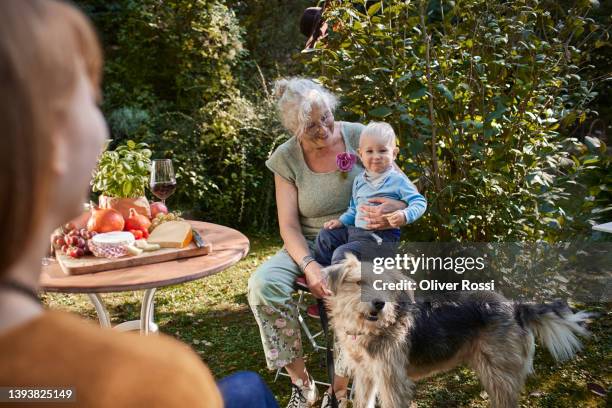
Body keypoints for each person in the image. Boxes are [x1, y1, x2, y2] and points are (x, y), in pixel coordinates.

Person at [0, 2, 277, 407]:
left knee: (248, 387)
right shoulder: (148, 381)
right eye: (92, 100)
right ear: (52, 143)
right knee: (250, 391)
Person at [248, 78, 409, 408]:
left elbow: (399, 186)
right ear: (295, 128)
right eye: (311, 126)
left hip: (362, 237)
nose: (323, 130)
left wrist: (394, 208)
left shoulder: (357, 136)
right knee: (263, 284)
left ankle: (344, 382)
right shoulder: (287, 158)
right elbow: (289, 226)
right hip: (307, 241)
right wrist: (309, 266)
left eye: (327, 119)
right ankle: (302, 383)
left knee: (351, 287)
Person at [315, 122, 427, 266]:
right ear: (360, 154)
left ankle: (338, 283)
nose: (376, 156)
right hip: (355, 232)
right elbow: (354, 209)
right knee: (326, 236)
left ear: (394, 153)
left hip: (380, 239)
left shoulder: (397, 181)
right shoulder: (359, 180)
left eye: (382, 151)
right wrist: (341, 221)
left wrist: (404, 215)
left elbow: (419, 202)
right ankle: (323, 273)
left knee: (343, 254)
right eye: (369, 151)